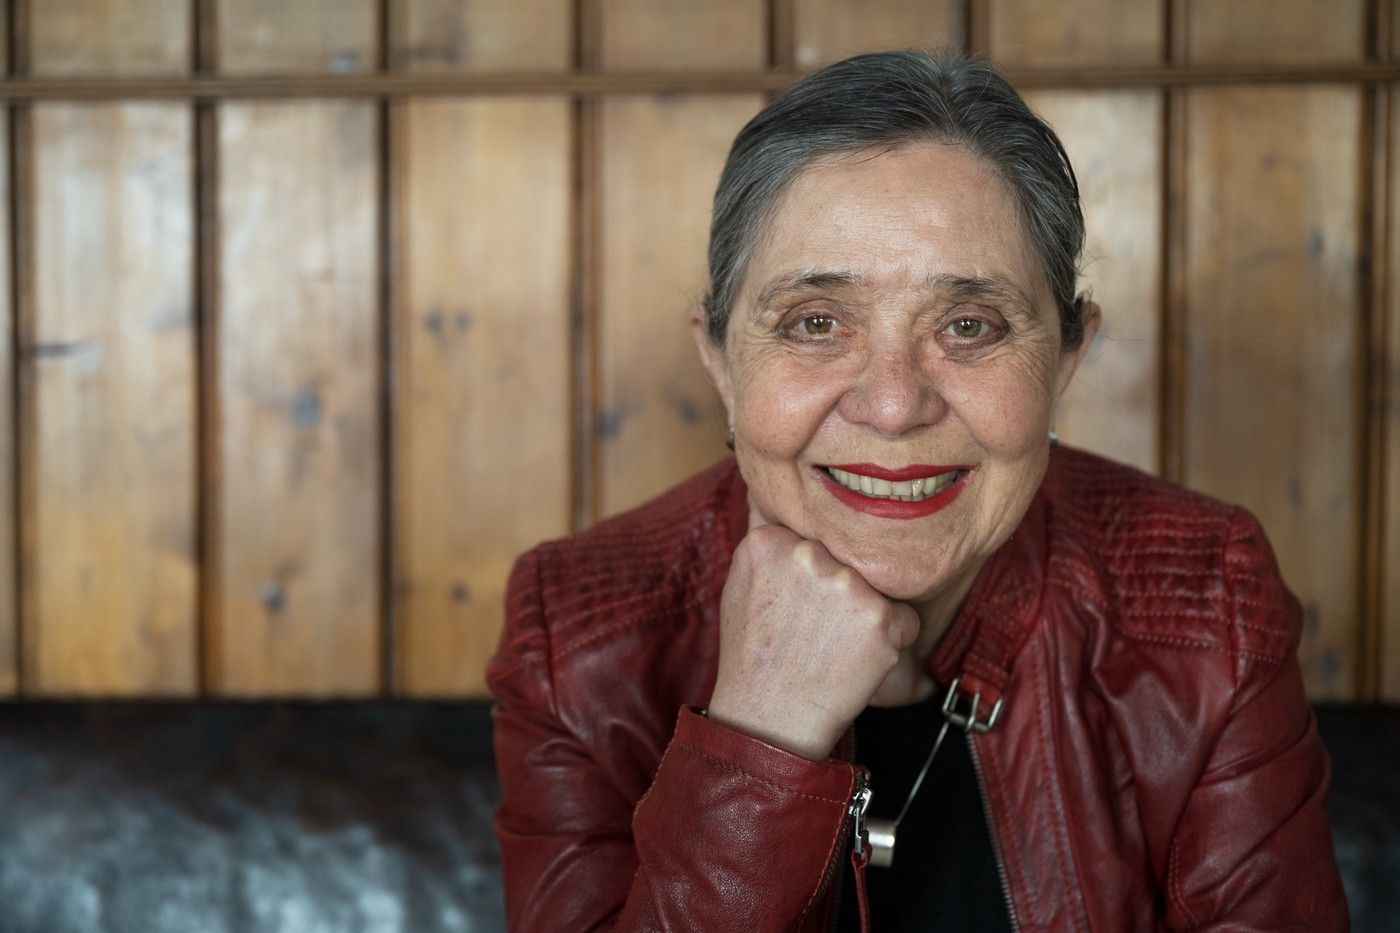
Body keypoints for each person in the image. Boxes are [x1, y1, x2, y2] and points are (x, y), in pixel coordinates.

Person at [488, 50, 1349, 931]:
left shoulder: (1207, 598)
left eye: (969, 325)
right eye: (816, 322)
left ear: (1066, 358)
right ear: (718, 359)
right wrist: (757, 738)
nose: (895, 405)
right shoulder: (579, 635)